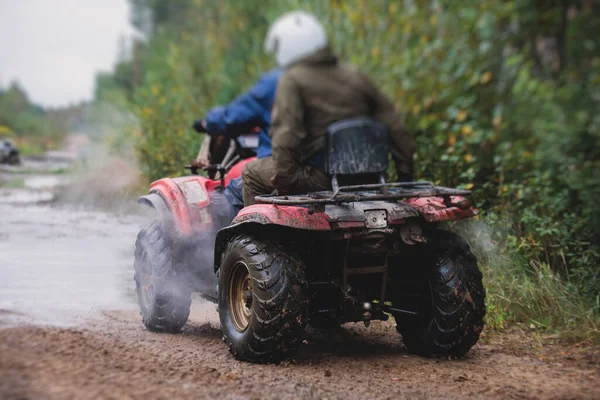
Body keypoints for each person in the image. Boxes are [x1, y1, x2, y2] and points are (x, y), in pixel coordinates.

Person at [242, 11, 415, 206]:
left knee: (250, 173)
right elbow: (397, 129)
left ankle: (258, 233)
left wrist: (285, 184)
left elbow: (287, 133)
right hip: (371, 177)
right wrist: (405, 177)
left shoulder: (293, 79)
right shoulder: (356, 76)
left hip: (321, 178)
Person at [192, 68, 282, 210]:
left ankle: (246, 229)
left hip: (291, 166)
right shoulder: (327, 75)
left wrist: (208, 123)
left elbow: (234, 116)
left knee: (231, 193)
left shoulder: (278, 81)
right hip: (324, 171)